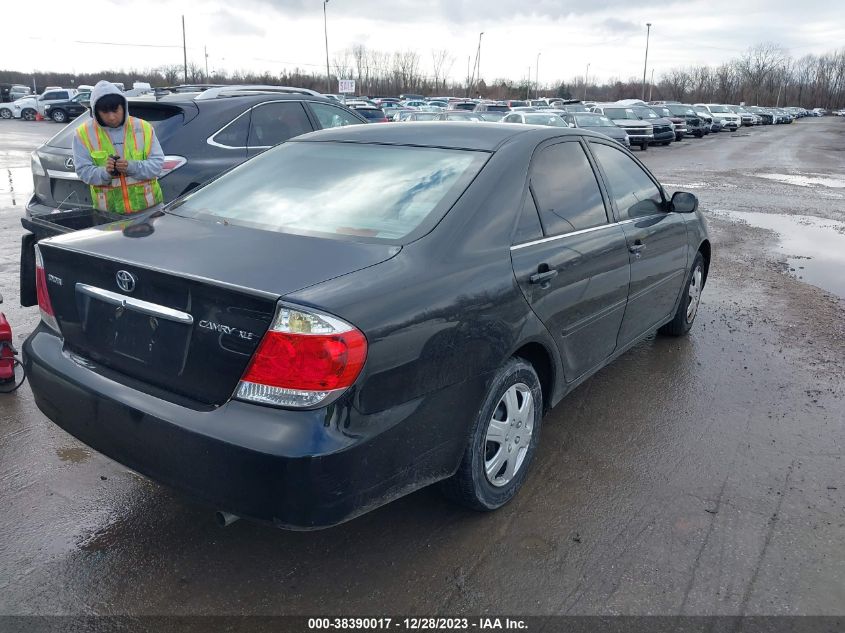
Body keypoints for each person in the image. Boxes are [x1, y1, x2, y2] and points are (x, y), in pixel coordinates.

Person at [72, 80, 164, 215]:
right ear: (95, 111)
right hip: (109, 215)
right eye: (104, 112)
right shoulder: (83, 134)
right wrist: (105, 172)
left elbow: (157, 165)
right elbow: (83, 172)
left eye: (115, 110)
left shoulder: (143, 128)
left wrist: (131, 167)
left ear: (124, 106)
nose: (112, 117)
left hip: (149, 210)